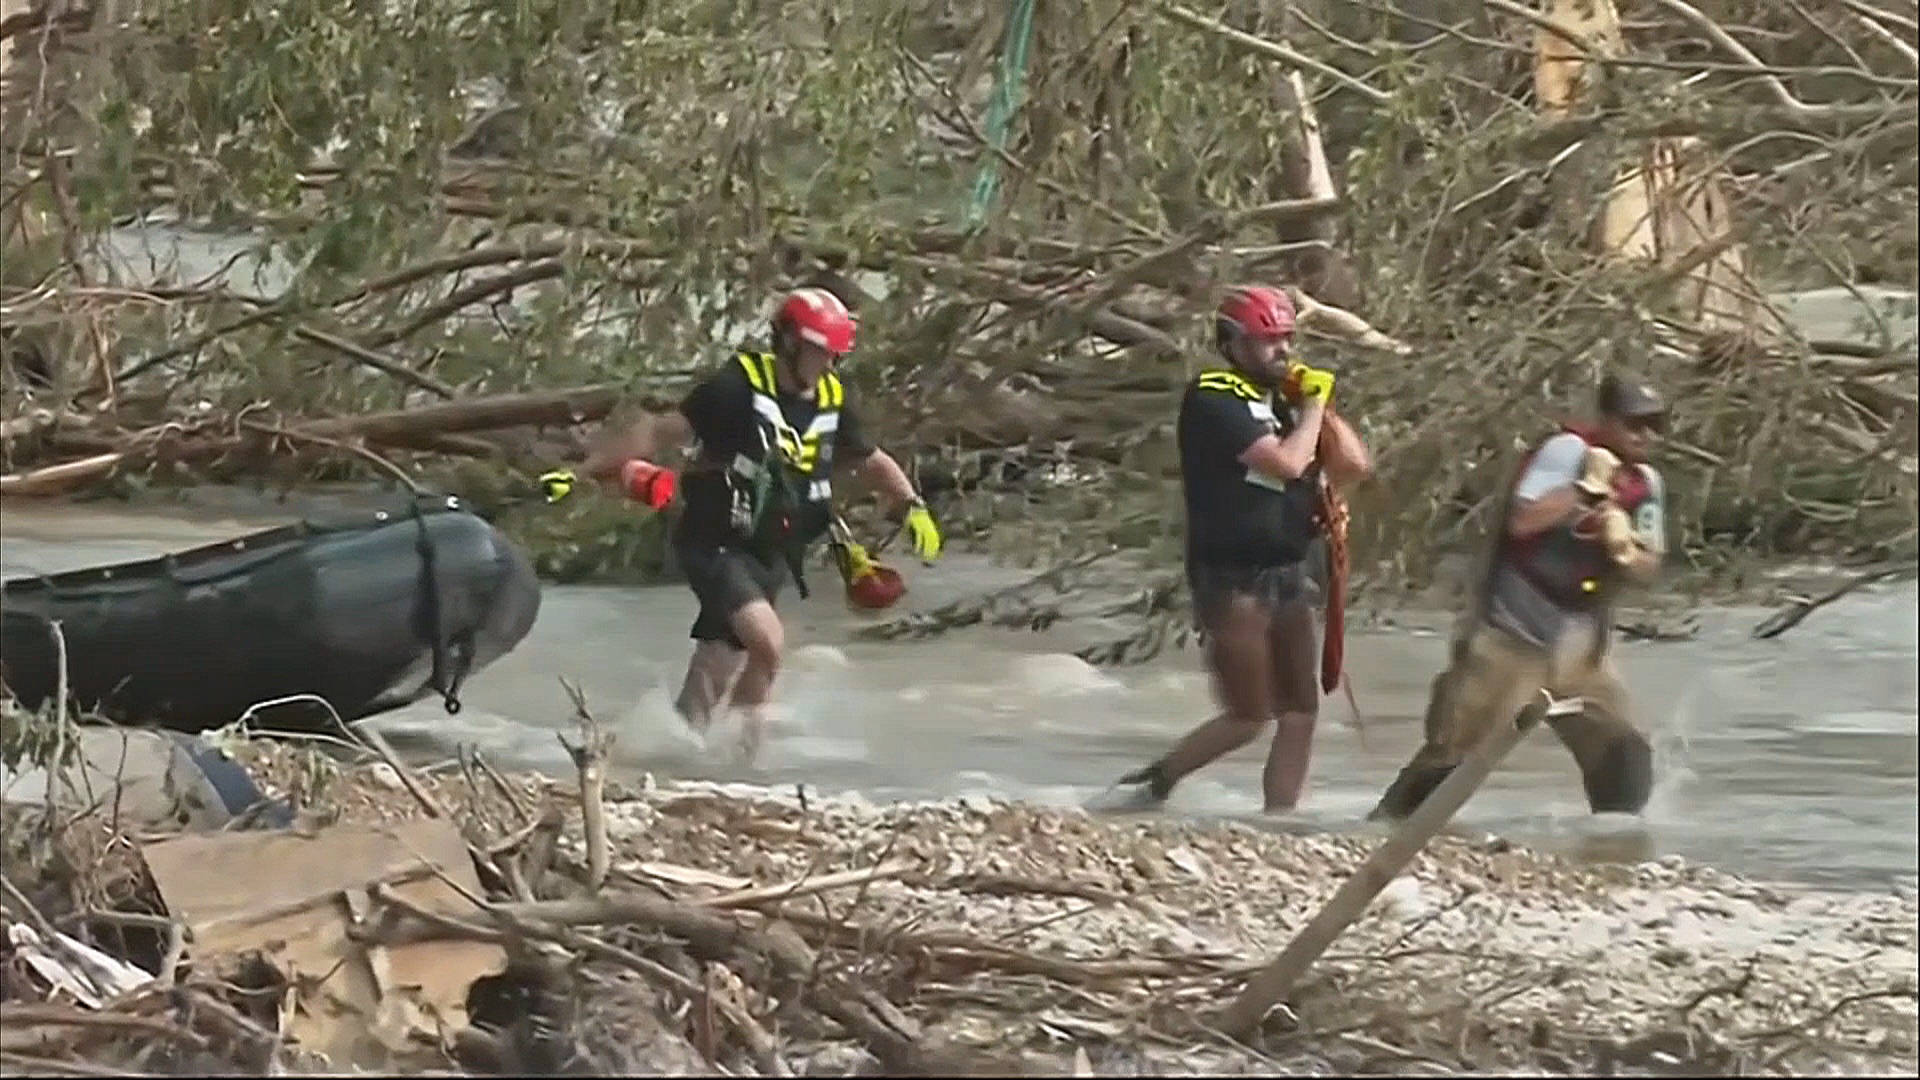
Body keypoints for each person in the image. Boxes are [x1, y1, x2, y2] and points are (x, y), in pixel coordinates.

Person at [540, 287, 943, 761]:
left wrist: (913, 506)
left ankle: (660, 755)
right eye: (821, 352)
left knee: (717, 664)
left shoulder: (833, 399)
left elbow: (871, 461)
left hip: (770, 553)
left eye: (835, 355)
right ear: (791, 344)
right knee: (768, 643)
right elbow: (657, 430)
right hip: (714, 543)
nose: (829, 365)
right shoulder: (735, 389)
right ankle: (738, 759)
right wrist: (580, 473)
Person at [1110, 285, 1373, 812]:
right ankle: (1152, 783)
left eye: (1286, 340)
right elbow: (1284, 463)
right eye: (1267, 342)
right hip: (1231, 577)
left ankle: (1280, 820)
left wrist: (1320, 407)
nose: (1281, 352)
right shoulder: (1213, 395)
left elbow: (1354, 467)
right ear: (1233, 343)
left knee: (1300, 711)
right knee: (1249, 714)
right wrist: (1313, 409)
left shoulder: (1284, 400)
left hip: (1289, 568)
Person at [1368, 373, 1670, 822]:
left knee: (1623, 757)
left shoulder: (1645, 484)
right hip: (1512, 630)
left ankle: (1612, 844)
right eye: (1634, 424)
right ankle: (1388, 832)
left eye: (1655, 425)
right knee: (1454, 754)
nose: (1645, 435)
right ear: (1606, 420)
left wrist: (1624, 550)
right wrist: (1584, 491)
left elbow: (1651, 566)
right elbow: (1523, 521)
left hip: (1582, 644)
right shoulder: (1567, 453)